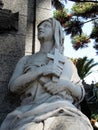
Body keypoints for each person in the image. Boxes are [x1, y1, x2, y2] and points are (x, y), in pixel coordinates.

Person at [0, 18, 93, 130]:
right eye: (39, 26)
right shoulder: (26, 60)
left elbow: (80, 93)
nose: (40, 28)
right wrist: (40, 71)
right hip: (30, 112)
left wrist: (65, 85)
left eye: (46, 26)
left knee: (75, 126)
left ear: (56, 32)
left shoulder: (67, 63)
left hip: (63, 109)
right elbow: (13, 87)